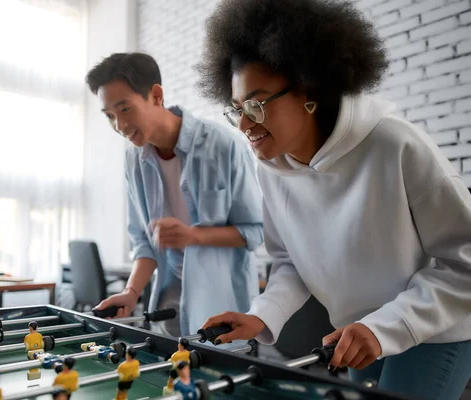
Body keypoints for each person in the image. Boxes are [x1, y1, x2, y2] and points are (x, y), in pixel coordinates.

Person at [197, 1, 471, 399]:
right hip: (357, 331)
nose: (243, 124)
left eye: (255, 104)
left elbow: (465, 262)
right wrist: (260, 316)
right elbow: (290, 262)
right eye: (237, 109)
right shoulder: (271, 167)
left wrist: (385, 328)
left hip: (436, 328)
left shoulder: (395, 145)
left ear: (310, 90)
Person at [85, 52, 264, 336]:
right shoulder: (134, 161)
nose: (119, 126)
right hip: (169, 311)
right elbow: (145, 242)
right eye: (109, 116)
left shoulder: (225, 146)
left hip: (224, 312)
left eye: (125, 109)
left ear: (156, 95)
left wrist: (195, 236)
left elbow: (254, 232)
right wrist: (131, 292)